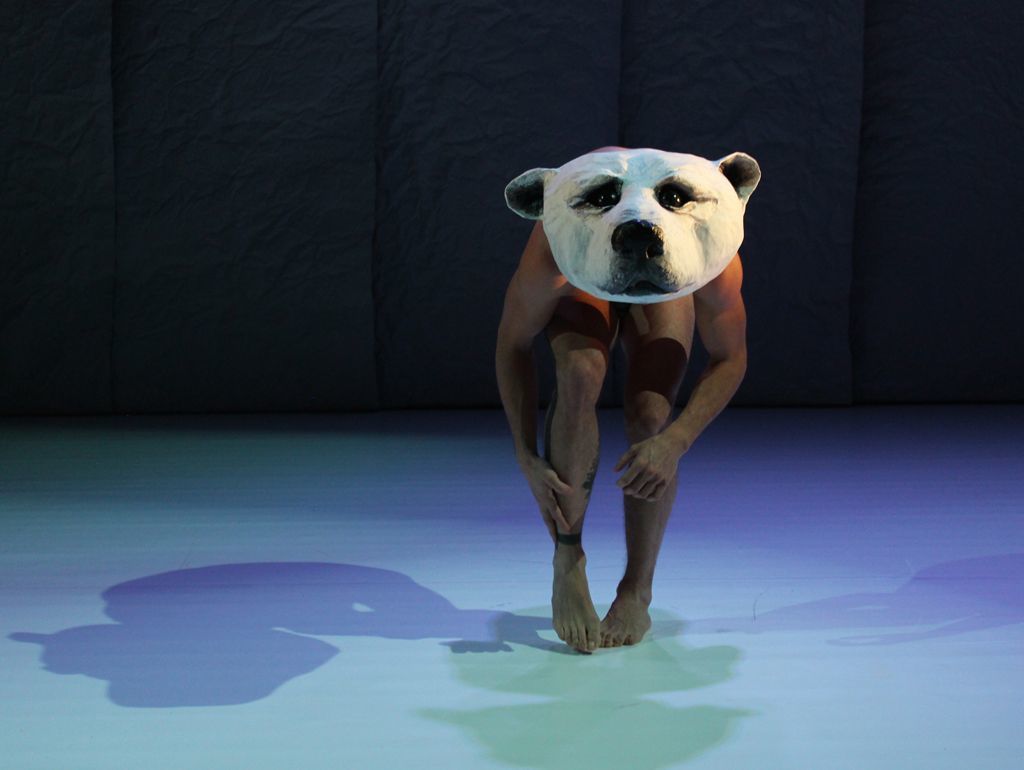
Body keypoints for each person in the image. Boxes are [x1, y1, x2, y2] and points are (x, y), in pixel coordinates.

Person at [494, 147, 748, 653]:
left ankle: (637, 590)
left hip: (669, 263)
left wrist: (676, 440)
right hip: (583, 266)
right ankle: (568, 558)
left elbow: (731, 357)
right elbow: (512, 346)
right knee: (579, 372)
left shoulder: (713, 251)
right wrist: (524, 455)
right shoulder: (554, 247)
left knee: (652, 415)